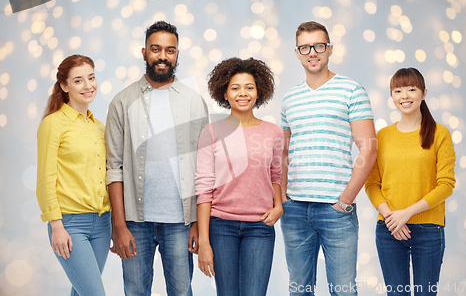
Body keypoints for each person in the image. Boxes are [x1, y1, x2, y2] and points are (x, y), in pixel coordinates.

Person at [105, 21, 208, 296]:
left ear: (177, 54)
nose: (163, 56)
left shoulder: (193, 101)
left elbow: (204, 168)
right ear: (144, 52)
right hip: (135, 222)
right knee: (135, 292)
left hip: (180, 222)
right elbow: (113, 168)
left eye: (170, 50)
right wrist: (119, 225)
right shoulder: (122, 102)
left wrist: (199, 222)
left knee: (181, 292)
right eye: (156, 49)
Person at [280, 21, 377, 296]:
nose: (313, 52)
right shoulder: (289, 99)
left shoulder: (351, 90)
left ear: (330, 49)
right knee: (299, 290)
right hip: (295, 209)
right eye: (305, 47)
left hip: (336, 209)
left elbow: (368, 149)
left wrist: (345, 201)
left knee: (343, 291)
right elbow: (285, 152)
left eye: (319, 46)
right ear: (297, 53)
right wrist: (285, 197)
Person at [196, 57, 284, 296]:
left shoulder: (274, 133)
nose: (242, 93)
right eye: (235, 88)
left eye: (249, 87)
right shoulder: (211, 132)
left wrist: (279, 206)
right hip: (221, 226)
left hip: (260, 227)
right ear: (224, 93)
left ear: (259, 92)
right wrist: (204, 241)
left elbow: (275, 174)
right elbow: (203, 188)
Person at [365, 67, 456, 296]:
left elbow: (445, 185)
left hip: (428, 230)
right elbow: (372, 184)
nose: (404, 96)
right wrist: (391, 217)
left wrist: (406, 213)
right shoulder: (382, 136)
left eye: (411, 89)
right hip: (389, 229)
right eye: (397, 90)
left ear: (423, 93)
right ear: (392, 96)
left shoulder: (439, 133)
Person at [36, 54, 111, 296]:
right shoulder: (53, 124)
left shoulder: (99, 127)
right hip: (70, 224)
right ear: (64, 86)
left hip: (102, 223)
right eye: (78, 81)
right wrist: (55, 225)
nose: (88, 86)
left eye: (91, 78)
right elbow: (45, 178)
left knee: (81, 292)